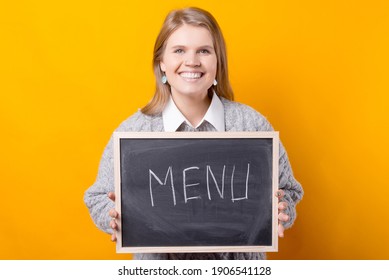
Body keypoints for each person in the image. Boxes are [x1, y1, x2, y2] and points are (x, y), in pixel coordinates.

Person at [84, 7, 303, 260]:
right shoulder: (134, 131)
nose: (192, 61)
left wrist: (281, 210)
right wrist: (112, 216)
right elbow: (98, 197)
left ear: (217, 61)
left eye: (204, 51)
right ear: (161, 63)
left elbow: (288, 191)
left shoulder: (252, 125)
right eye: (179, 50)